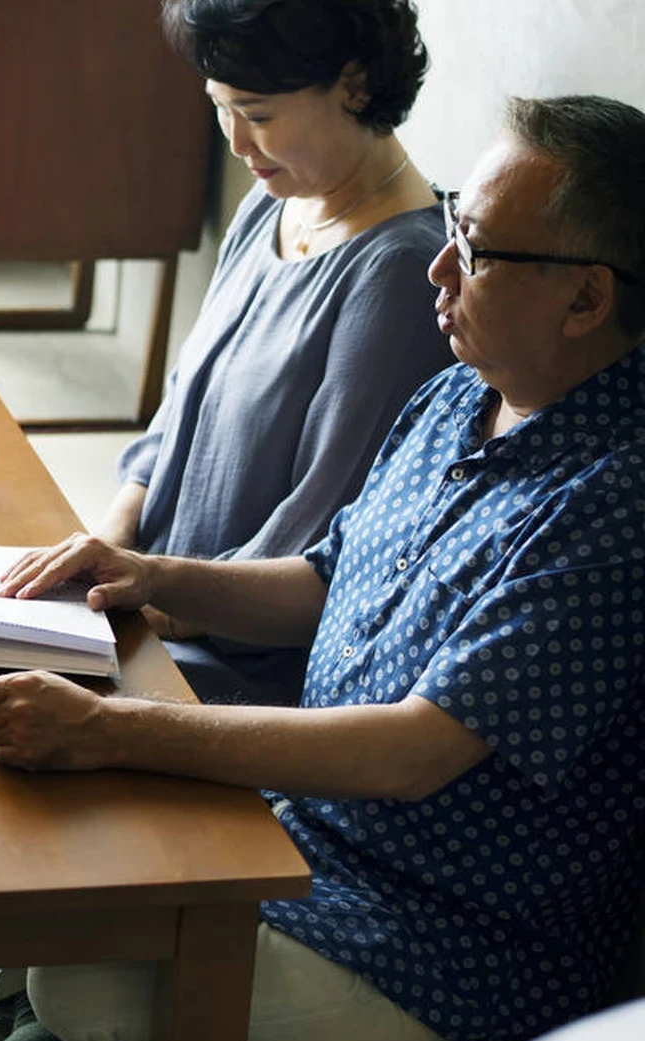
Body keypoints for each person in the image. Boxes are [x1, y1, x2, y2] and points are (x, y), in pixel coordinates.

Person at [0, 94, 645, 1041]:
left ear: (586, 299)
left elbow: (414, 752)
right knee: (56, 879)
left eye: (478, 253)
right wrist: (146, 574)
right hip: (299, 821)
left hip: (449, 938)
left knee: (79, 979)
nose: (440, 269)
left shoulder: (614, 507)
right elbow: (329, 577)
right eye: (452, 227)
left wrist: (114, 730)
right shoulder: (465, 388)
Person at [107, 0, 452, 706]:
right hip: (147, 610)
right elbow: (179, 414)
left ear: (354, 86)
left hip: (235, 670)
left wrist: (142, 596)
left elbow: (318, 555)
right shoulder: (272, 205)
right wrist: (107, 545)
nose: (236, 142)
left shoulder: (398, 276)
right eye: (220, 107)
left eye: (258, 115)